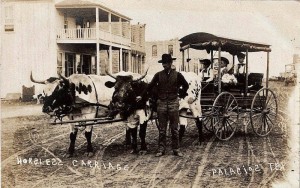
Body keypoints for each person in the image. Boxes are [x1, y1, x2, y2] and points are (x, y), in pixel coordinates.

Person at [136, 54, 189, 157]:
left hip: (174, 103)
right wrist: (141, 96)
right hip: (161, 103)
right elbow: (149, 86)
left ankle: (176, 149)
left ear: (170, 63)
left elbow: (186, 85)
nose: (164, 65)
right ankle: (161, 149)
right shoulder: (158, 75)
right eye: (163, 63)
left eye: (166, 63)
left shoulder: (178, 75)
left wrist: (181, 94)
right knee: (162, 129)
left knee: (174, 128)